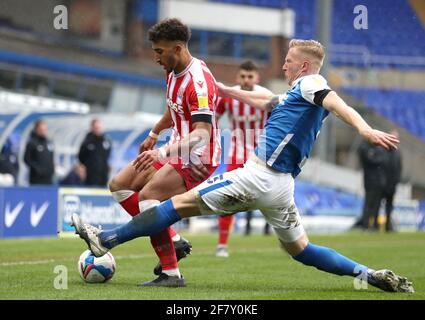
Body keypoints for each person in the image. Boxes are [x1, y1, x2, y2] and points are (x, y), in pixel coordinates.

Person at [72, 39, 413, 293]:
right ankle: (368, 274)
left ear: (305, 66)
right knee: (302, 251)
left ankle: (107, 240)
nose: (284, 66)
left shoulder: (312, 83)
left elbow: (333, 99)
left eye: (290, 61)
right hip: (281, 189)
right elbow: (266, 100)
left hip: (258, 176)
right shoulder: (298, 93)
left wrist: (364, 128)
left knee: (172, 206)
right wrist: (225, 89)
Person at [105, 18, 221, 287]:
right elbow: (174, 106)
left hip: (198, 156)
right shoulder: (171, 69)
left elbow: (202, 134)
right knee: (119, 185)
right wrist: (154, 134)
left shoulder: (199, 83)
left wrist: (162, 151)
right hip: (176, 148)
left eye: (159, 51)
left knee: (148, 197)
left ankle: (171, 274)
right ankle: (174, 240)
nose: (155, 57)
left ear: (178, 48)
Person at [215, 60, 272, 257]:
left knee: (272, 196)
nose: (246, 80)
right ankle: (222, 244)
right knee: (227, 197)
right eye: (243, 76)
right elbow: (212, 117)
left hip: (261, 155)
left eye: (250, 76)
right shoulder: (229, 96)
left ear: (257, 77)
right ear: (237, 77)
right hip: (236, 154)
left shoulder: (265, 95)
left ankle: (288, 239)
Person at [356, 139, 387, 230]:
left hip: (378, 181)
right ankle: (365, 225)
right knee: (368, 204)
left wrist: (376, 156)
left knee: (377, 204)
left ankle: (375, 225)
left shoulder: (375, 148)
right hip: (369, 181)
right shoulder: (365, 147)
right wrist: (377, 157)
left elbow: (380, 159)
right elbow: (373, 160)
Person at [78, 119, 112, 187]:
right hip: (90, 175)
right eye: (96, 128)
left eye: (99, 128)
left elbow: (108, 155)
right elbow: (81, 157)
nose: (98, 130)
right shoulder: (87, 142)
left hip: (103, 174)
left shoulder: (106, 141)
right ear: (92, 128)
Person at [381, 129, 402, 232]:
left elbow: (399, 168)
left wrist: (396, 182)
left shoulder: (398, 153)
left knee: (389, 206)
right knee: (376, 205)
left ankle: (388, 226)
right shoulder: (382, 150)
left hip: (392, 184)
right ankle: (374, 226)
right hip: (381, 184)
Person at [24, 119, 55, 185]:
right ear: (36, 129)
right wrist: (37, 169)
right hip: (36, 178)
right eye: (41, 129)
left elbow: (51, 158)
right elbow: (26, 159)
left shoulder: (48, 142)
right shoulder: (32, 143)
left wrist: (52, 170)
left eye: (45, 129)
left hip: (48, 178)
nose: (43, 131)